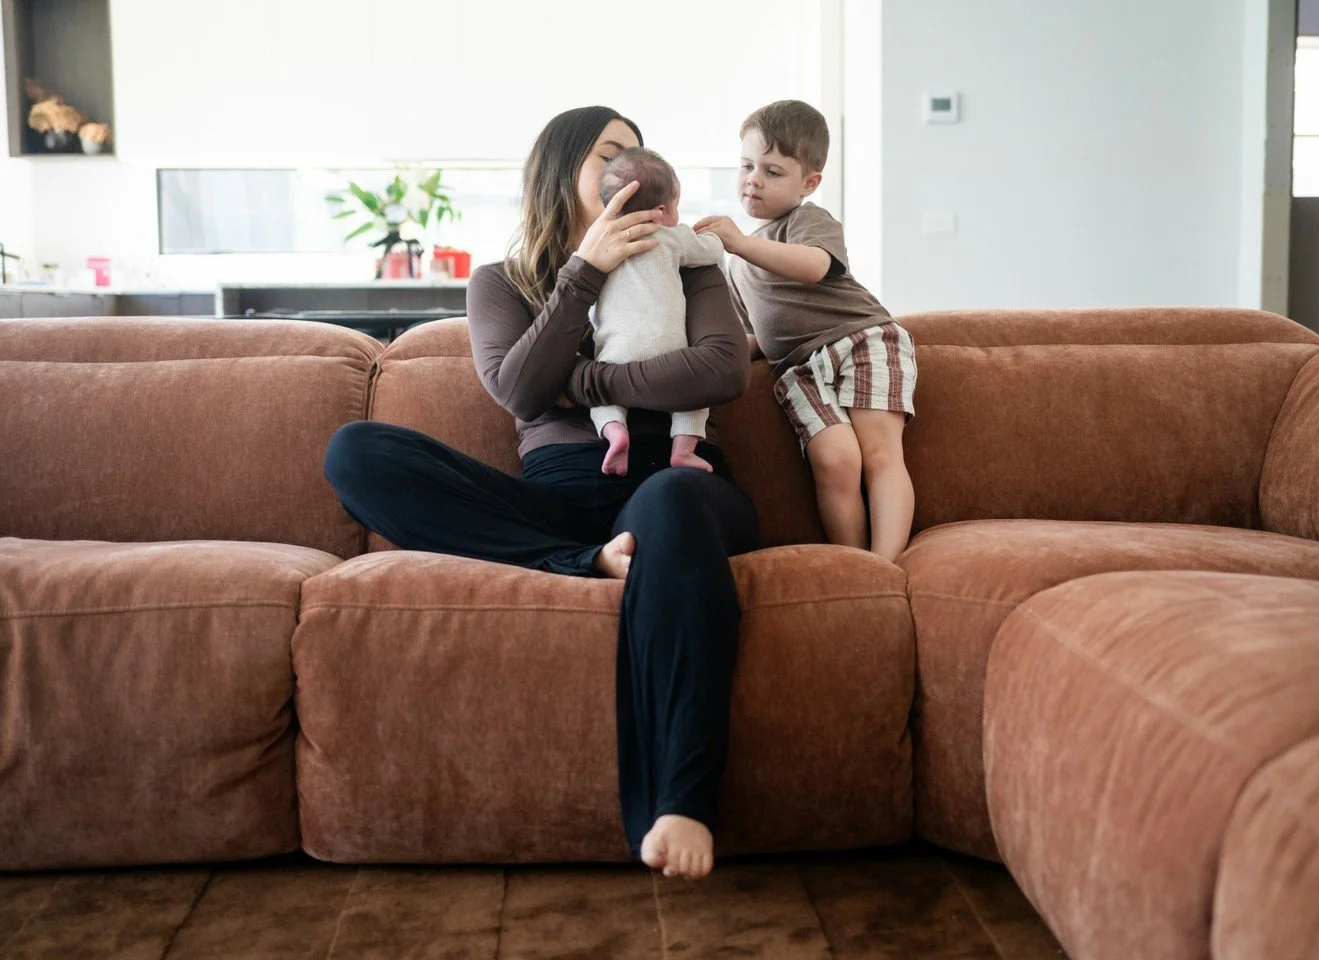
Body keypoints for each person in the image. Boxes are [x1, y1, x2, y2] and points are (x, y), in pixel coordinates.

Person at [323, 106, 758, 881]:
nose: (632, 165)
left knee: (672, 503)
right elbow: (523, 389)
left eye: (639, 151)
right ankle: (581, 558)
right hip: (557, 496)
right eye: (610, 154)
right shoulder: (504, 281)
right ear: (564, 174)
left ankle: (682, 801)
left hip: (678, 482)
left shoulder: (691, 261)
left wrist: (582, 382)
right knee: (357, 452)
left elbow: (722, 370)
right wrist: (582, 273)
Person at [696, 99, 918, 563]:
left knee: (880, 454)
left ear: (809, 183)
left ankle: (888, 561)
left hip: (861, 340)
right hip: (798, 370)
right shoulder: (737, 262)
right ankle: (858, 564)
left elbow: (815, 267)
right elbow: (754, 336)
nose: (753, 179)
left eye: (772, 171)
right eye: (746, 165)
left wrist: (740, 242)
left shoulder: (806, 220)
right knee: (835, 461)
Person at [589, 146, 725, 476]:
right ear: (661, 211)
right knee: (694, 394)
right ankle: (683, 450)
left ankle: (615, 433)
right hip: (670, 354)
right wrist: (714, 237)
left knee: (601, 395)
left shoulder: (598, 243)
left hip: (615, 352)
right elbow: (713, 251)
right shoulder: (672, 236)